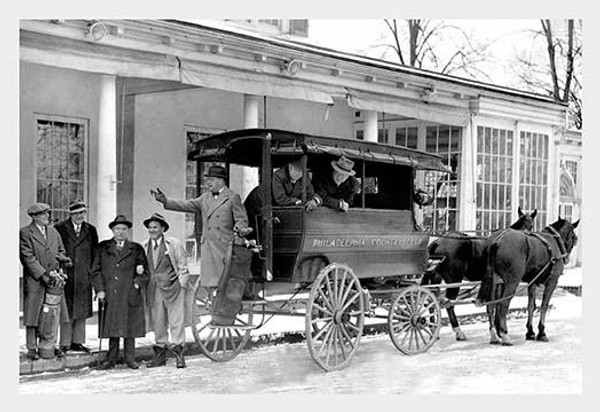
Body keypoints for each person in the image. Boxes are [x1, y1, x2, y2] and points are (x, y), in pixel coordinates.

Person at [151, 165, 250, 288]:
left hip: (223, 247)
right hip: (208, 247)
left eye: (211, 179)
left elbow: (242, 219)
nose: (208, 182)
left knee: (224, 284)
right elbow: (186, 205)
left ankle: (221, 304)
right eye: (208, 179)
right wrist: (165, 200)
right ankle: (211, 303)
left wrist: (240, 228)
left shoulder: (232, 197)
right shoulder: (205, 198)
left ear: (221, 180)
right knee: (210, 283)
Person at [91, 215, 149, 370]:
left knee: (130, 327)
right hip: (110, 293)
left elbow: (145, 273)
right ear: (112, 230)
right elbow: (95, 270)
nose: (121, 232)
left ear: (128, 230)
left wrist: (137, 285)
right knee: (112, 326)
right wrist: (100, 290)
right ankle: (111, 359)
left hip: (129, 293)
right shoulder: (103, 247)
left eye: (124, 229)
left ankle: (130, 358)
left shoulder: (136, 249)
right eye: (117, 229)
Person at [20, 203, 71, 360]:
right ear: (34, 217)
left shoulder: (53, 232)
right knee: (33, 314)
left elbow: (61, 250)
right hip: (36, 280)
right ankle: (31, 348)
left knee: (51, 314)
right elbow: (27, 257)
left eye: (48, 214)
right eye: (43, 214)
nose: (47, 217)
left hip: (53, 279)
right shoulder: (25, 233)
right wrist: (43, 274)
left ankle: (48, 345)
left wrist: (63, 260)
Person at [142, 213, 189, 369]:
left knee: (176, 321)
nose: (152, 230)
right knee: (158, 322)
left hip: (173, 288)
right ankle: (160, 355)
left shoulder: (173, 244)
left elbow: (183, 266)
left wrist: (181, 286)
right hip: (154, 289)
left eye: (155, 227)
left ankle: (179, 355)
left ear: (162, 229)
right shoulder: (144, 246)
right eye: (150, 227)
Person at [54, 200, 98, 354]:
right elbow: (56, 250)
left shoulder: (91, 230)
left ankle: (77, 342)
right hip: (66, 274)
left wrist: (92, 272)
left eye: (82, 212)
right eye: (76, 213)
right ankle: (65, 343)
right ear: (70, 214)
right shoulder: (60, 228)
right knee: (66, 308)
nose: (80, 216)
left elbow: (94, 253)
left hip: (83, 275)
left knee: (81, 308)